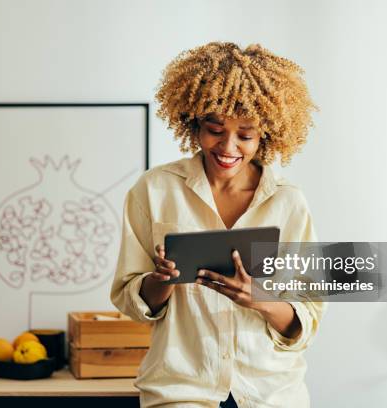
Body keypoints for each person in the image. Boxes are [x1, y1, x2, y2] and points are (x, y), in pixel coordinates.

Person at [110, 42, 326, 408]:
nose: (228, 147)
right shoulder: (154, 190)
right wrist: (160, 282)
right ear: (193, 124)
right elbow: (130, 299)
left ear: (265, 136)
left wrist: (259, 298)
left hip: (270, 395)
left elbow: (306, 316)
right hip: (181, 392)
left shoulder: (288, 202)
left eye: (245, 135)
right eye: (215, 130)